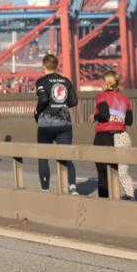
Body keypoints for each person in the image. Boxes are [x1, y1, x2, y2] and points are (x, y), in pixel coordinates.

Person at [34, 54, 78, 195]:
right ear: (56, 66)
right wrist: (61, 104)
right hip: (64, 123)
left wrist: (37, 110)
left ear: (44, 66)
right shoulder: (66, 81)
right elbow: (74, 101)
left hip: (46, 124)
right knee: (65, 155)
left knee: (43, 156)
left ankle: (45, 189)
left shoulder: (41, 81)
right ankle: (72, 187)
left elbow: (43, 98)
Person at [92, 71, 135, 200]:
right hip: (123, 137)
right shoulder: (126, 99)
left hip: (105, 136)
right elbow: (129, 121)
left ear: (106, 84)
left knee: (103, 174)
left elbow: (104, 115)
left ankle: (105, 203)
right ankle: (130, 197)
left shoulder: (102, 96)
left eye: (102, 82)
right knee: (122, 173)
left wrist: (94, 116)